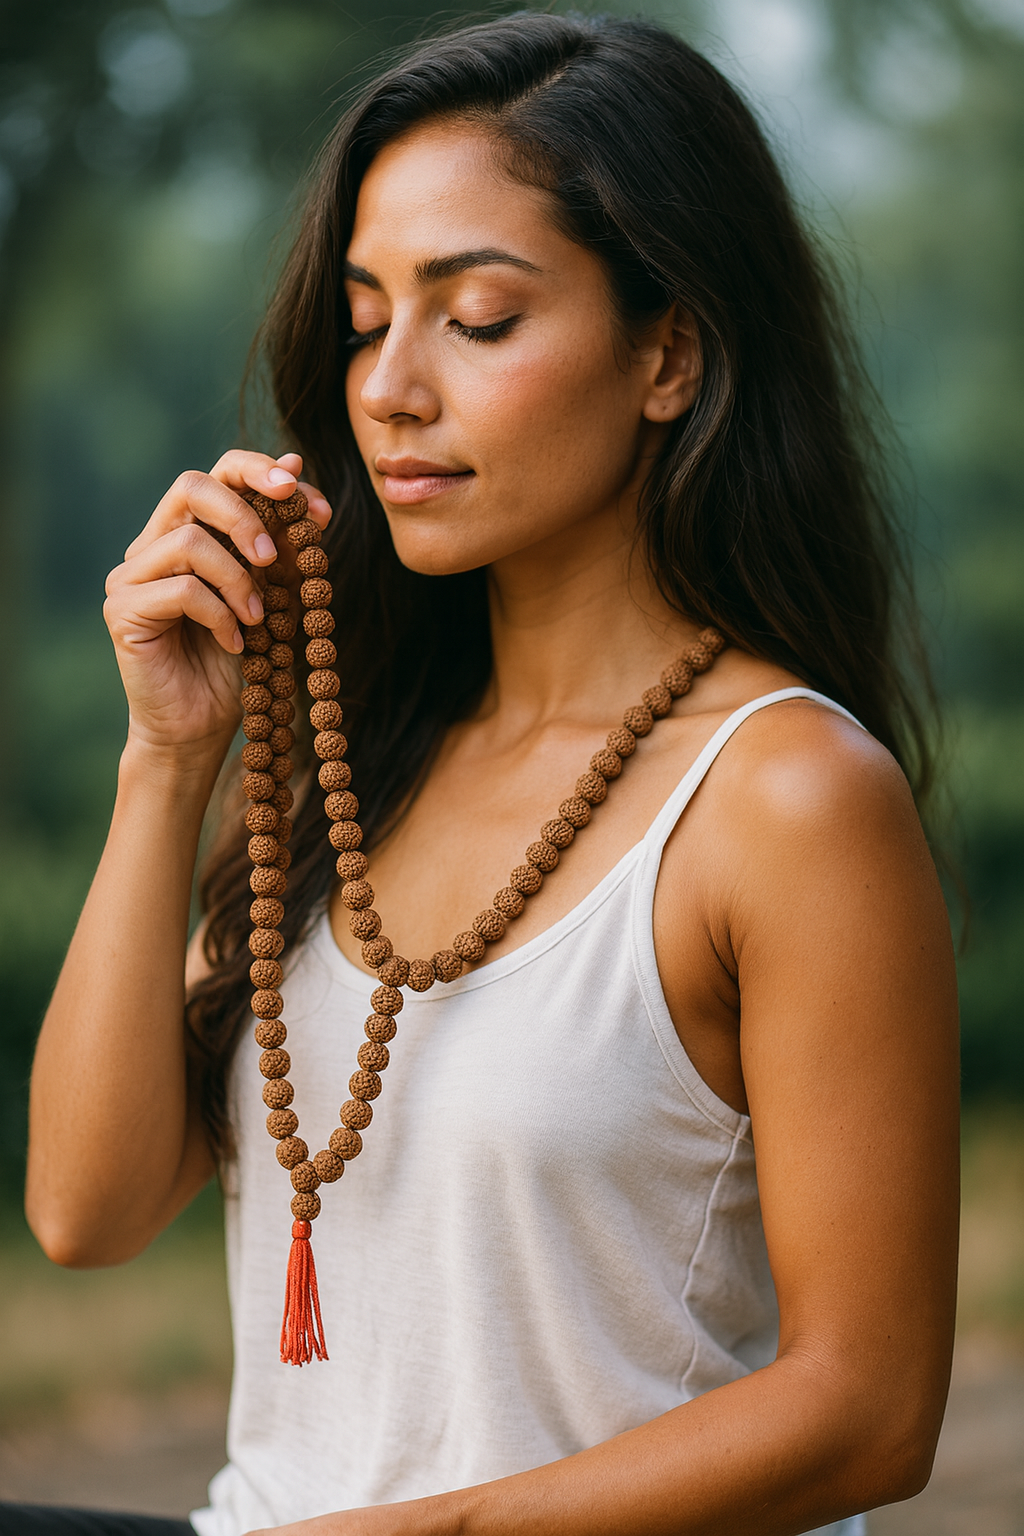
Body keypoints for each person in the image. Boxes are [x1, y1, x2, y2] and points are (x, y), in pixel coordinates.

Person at [19, 13, 959, 1536]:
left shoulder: (784, 798)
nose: (388, 387)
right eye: (365, 314)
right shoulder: (354, 750)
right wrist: (169, 757)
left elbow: (868, 1410)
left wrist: (426, 1532)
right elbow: (85, 1209)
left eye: (479, 318)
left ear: (670, 353)